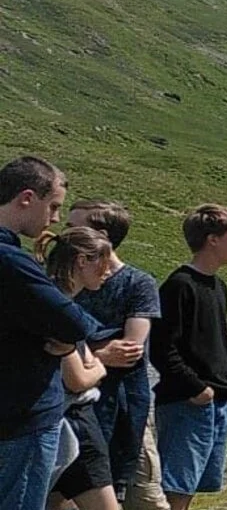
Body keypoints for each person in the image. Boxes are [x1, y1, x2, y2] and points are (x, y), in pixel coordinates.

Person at [0, 157, 100, 510]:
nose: (55, 219)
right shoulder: (11, 260)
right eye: (53, 206)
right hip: (21, 416)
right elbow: (75, 324)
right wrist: (63, 339)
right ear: (27, 198)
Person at [151, 204, 227, 510]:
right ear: (212, 239)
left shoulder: (219, 286)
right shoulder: (180, 285)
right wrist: (195, 388)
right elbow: (161, 348)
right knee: (176, 485)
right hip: (187, 402)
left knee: (192, 484)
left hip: (216, 398)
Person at [65, 202, 158, 509]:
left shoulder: (137, 282)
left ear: (101, 236)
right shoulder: (61, 282)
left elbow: (129, 350)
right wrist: (99, 352)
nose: (65, 234)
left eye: (74, 227)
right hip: (72, 403)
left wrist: (79, 352)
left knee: (129, 487)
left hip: (121, 401)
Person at [43, 227, 119, 510]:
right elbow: (77, 378)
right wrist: (100, 367)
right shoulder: (59, 307)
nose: (108, 271)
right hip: (74, 421)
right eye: (104, 262)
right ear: (82, 260)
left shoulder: (47, 296)